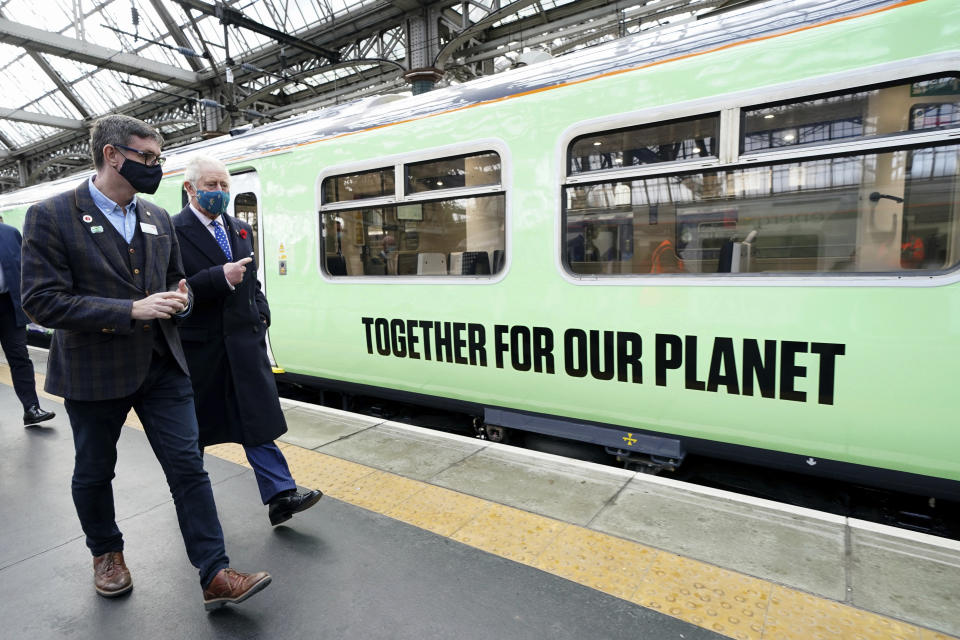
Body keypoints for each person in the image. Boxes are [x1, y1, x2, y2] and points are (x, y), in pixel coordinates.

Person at [20, 115, 270, 611]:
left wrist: (184, 298)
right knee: (95, 470)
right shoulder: (51, 215)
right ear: (112, 155)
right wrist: (128, 310)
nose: (155, 167)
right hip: (95, 371)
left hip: (162, 365)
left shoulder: (156, 218)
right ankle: (106, 552)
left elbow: (179, 282)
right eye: (147, 158)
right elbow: (40, 301)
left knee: (188, 468)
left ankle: (214, 572)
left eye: (159, 159)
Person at [173, 155, 322, 526]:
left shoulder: (240, 228)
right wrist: (218, 278)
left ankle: (280, 495)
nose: (220, 193)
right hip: (201, 349)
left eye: (224, 185)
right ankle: (191, 498)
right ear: (190, 188)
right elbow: (172, 289)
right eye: (211, 186)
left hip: (244, 343)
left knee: (256, 420)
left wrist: (262, 313)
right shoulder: (171, 231)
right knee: (196, 430)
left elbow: (251, 281)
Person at [0, 222, 56, 425]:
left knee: (20, 357)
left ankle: (31, 408)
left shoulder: (9, 233)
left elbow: (27, 268)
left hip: (8, 305)